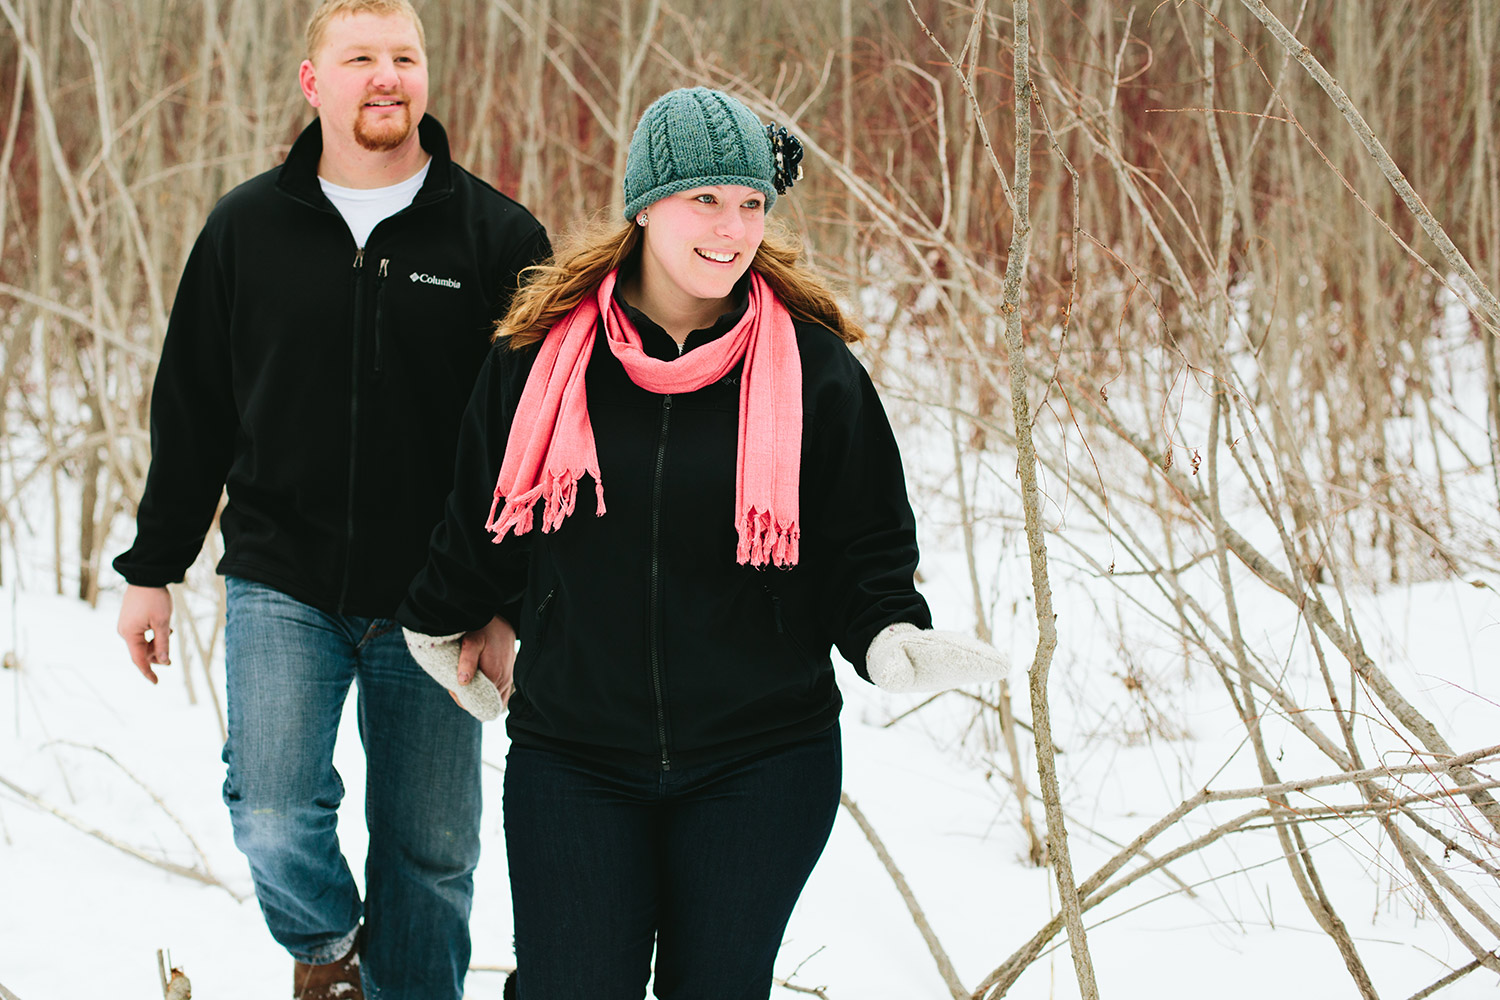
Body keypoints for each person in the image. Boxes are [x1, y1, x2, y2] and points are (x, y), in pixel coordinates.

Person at [397, 86, 1005, 999]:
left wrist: (890, 634)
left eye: (751, 203)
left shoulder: (816, 370)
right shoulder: (537, 358)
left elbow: (865, 547)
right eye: (705, 200)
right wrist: (443, 617)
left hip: (763, 759)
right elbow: (487, 514)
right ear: (646, 204)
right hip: (575, 754)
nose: (731, 228)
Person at [111, 2, 548, 997]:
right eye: (360, 58)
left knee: (431, 857)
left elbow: (537, 439)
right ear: (315, 82)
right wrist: (152, 568)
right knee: (270, 808)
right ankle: (328, 955)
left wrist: (506, 599)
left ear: (426, 77)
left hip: (439, 597)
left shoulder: (496, 236)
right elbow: (194, 412)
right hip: (284, 578)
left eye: (404, 56)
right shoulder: (247, 229)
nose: (386, 76)